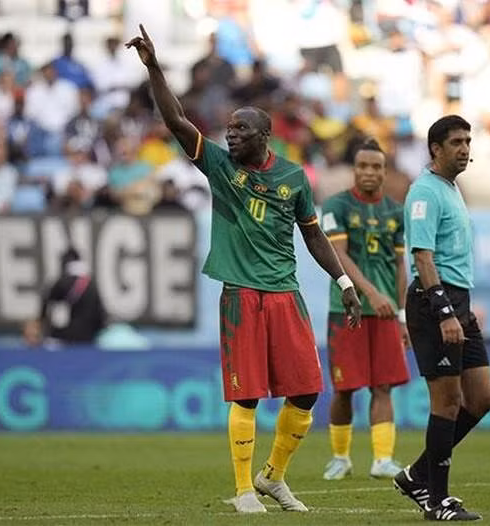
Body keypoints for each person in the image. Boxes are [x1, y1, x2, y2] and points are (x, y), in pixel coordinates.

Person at [125, 25, 362, 514]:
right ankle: (242, 491)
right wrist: (153, 67)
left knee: (307, 391)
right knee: (249, 396)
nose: (230, 134)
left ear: (264, 136)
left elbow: (313, 234)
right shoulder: (219, 166)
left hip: (285, 292)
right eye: (229, 128)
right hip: (241, 294)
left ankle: (272, 477)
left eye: (240, 129)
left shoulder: (293, 177)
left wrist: (343, 281)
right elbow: (176, 121)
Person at [394, 115, 490, 521]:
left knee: (483, 398)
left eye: (468, 141)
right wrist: (445, 312)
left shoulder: (451, 189)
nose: (465, 148)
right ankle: (437, 500)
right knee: (448, 402)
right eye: (456, 141)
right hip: (434, 303)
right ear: (435, 149)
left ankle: (417, 474)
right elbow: (422, 256)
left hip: (458, 302)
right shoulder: (424, 193)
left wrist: (462, 308)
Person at [320, 137, 410, 481]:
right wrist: (371, 293)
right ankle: (340, 457)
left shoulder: (396, 213)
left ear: (385, 172)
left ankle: (382, 460)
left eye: (376, 166)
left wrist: (402, 316)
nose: (369, 172)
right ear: (353, 169)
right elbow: (339, 255)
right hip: (348, 309)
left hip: (387, 312)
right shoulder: (336, 206)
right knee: (344, 387)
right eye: (363, 166)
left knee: (383, 386)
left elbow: (401, 267)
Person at [34, 247, 106, 347]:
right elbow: (100, 315)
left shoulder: (62, 282)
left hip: (64, 338)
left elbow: (46, 302)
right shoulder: (91, 284)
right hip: (88, 338)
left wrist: (44, 326)